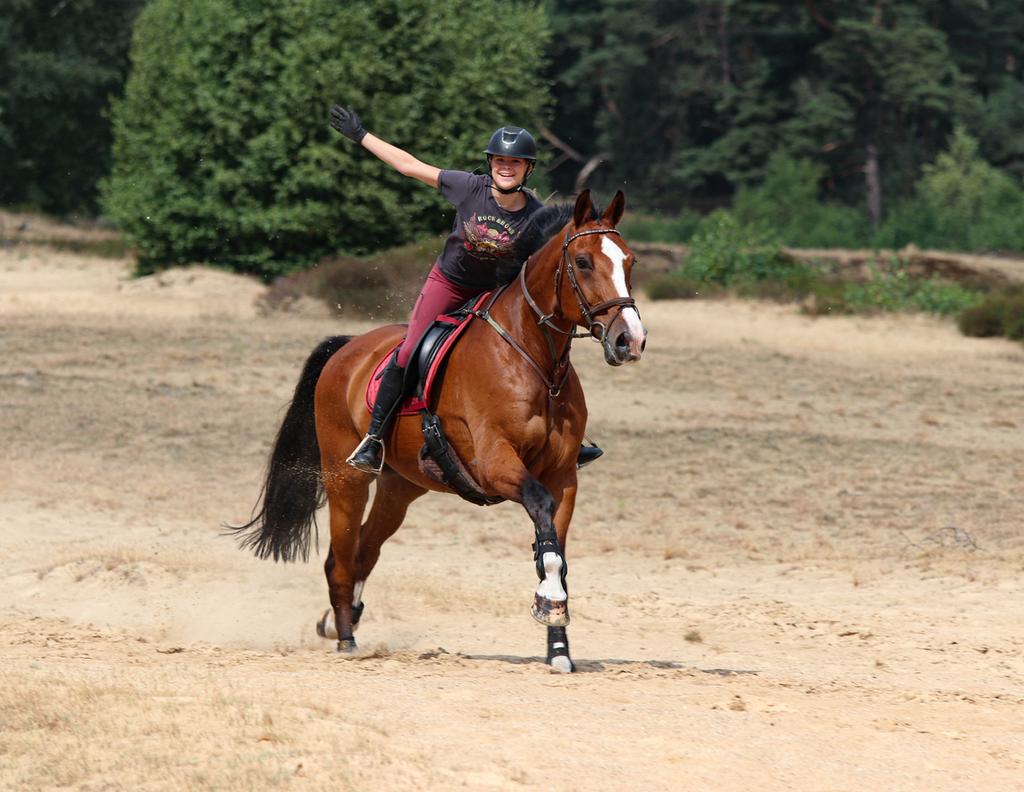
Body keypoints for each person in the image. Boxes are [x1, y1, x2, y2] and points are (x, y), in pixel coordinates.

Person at [329, 105, 602, 474]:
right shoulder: (468, 187)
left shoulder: (537, 214)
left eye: (516, 162)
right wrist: (361, 135)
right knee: (410, 349)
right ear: (490, 163)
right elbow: (409, 166)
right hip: (450, 284)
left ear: (528, 169)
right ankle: (374, 438)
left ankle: (567, 438)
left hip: (495, 292)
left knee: (548, 350)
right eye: (500, 160)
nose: (507, 167)